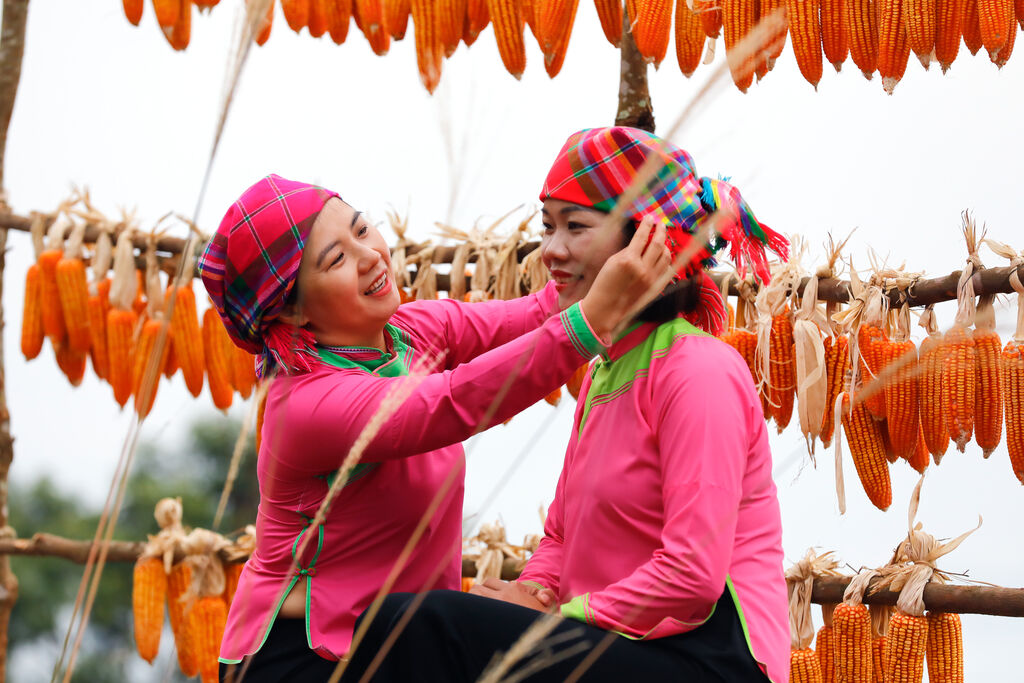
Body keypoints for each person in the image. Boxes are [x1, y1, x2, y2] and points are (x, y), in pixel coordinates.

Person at [340, 127, 791, 683]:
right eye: (547, 226)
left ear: (644, 238)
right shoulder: (604, 372)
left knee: (420, 625)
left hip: (706, 658)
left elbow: (692, 577)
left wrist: (556, 616)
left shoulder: (697, 371)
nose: (551, 250)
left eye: (575, 227)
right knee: (391, 624)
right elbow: (559, 537)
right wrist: (528, 592)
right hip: (609, 642)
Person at [197, 173, 670, 682]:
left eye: (362, 229)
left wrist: (619, 246)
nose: (369, 256)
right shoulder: (306, 405)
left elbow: (538, 313)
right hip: (305, 660)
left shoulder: (408, 334)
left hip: (397, 644)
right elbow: (453, 401)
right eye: (336, 259)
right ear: (291, 310)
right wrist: (594, 317)